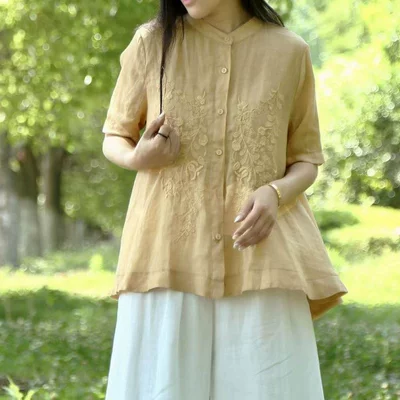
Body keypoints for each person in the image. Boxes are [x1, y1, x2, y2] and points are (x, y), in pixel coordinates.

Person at [101, 0, 348, 398]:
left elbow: (306, 159)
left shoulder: (290, 51)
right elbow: (115, 135)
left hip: (260, 258)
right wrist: (137, 157)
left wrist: (275, 193)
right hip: (166, 256)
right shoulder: (152, 43)